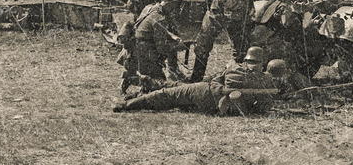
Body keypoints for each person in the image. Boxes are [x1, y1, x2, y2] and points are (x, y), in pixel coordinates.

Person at [113, 46, 279, 115]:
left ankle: (131, 100)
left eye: (252, 62)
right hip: (213, 102)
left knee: (169, 94)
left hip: (206, 93)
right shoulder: (264, 81)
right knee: (173, 90)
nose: (251, 65)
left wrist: (216, 86)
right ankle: (138, 93)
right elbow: (263, 108)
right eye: (251, 62)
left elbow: (216, 79)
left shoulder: (235, 67)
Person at [116, 0, 187, 94]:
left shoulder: (149, 8)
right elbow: (161, 48)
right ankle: (135, 81)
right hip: (144, 53)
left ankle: (129, 77)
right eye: (174, 7)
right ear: (170, 5)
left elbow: (148, 28)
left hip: (132, 50)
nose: (174, 11)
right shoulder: (160, 19)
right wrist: (176, 46)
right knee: (159, 82)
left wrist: (172, 36)